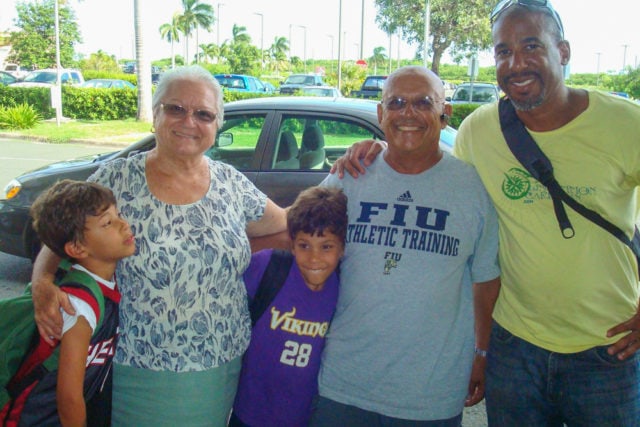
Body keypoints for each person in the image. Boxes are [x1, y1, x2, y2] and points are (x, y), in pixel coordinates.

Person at [335, 1, 640, 425]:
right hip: (515, 346)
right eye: (502, 51)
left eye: (531, 46)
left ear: (564, 52)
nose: (515, 63)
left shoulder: (625, 123)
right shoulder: (481, 129)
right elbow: (428, 168)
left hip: (608, 346)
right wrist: (378, 149)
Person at [30, 65, 288, 426]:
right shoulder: (116, 179)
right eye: (175, 109)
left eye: (203, 114)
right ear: (155, 115)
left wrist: (347, 173)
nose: (189, 122)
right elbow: (59, 238)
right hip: (138, 368)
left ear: (217, 125)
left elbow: (291, 225)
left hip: (222, 363)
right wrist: (41, 283)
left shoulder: (232, 184)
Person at [309, 65, 501, 427]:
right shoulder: (349, 174)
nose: (408, 113)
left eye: (423, 103)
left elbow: (486, 279)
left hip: (429, 393)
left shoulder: (472, 187)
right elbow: (300, 236)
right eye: (396, 102)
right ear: (381, 114)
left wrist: (482, 351)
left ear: (445, 115)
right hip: (342, 383)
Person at [16, 179, 134, 426]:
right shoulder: (80, 305)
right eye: (108, 223)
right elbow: (69, 396)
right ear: (78, 248)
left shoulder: (104, 285)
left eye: (118, 215)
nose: (124, 225)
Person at [229, 186, 347, 427]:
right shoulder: (267, 268)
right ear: (292, 245)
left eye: (326, 246)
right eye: (304, 246)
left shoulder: (345, 287)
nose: (314, 258)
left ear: (342, 248)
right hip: (248, 413)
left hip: (305, 417)